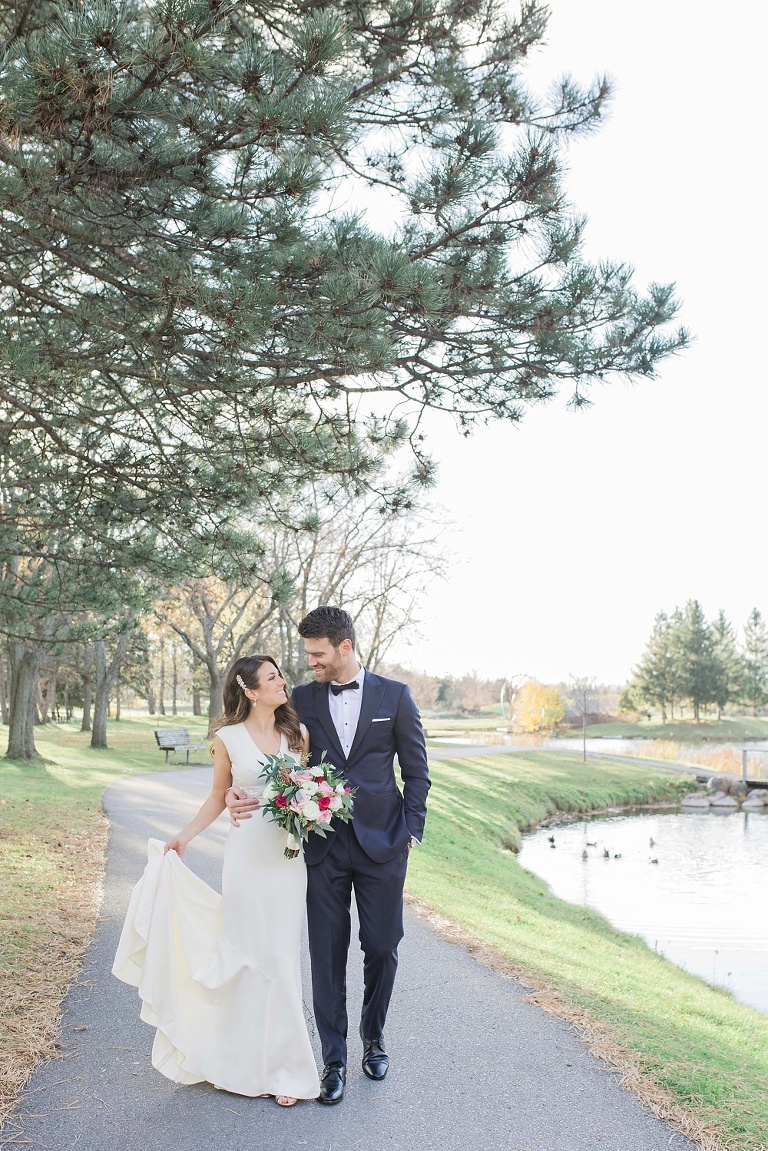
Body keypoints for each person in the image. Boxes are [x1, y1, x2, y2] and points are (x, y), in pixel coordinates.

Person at [228, 607, 430, 1105]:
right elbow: (264, 748)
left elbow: (417, 770)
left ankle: (374, 1039)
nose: (311, 662)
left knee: (382, 947)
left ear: (345, 647)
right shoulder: (299, 699)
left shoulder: (395, 696)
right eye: (307, 655)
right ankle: (333, 1060)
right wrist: (235, 788)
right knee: (326, 952)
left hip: (384, 845)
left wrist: (411, 831)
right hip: (321, 848)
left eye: (318, 654)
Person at [112, 655, 320, 1106]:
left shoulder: (296, 734)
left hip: (287, 857)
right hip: (246, 857)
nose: (282, 682)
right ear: (249, 691)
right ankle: (237, 1060)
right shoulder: (226, 738)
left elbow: (309, 786)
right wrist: (184, 837)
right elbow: (216, 796)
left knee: (281, 956)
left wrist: (315, 801)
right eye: (271, 678)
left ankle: (286, 1069)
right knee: (246, 950)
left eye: (279, 674)